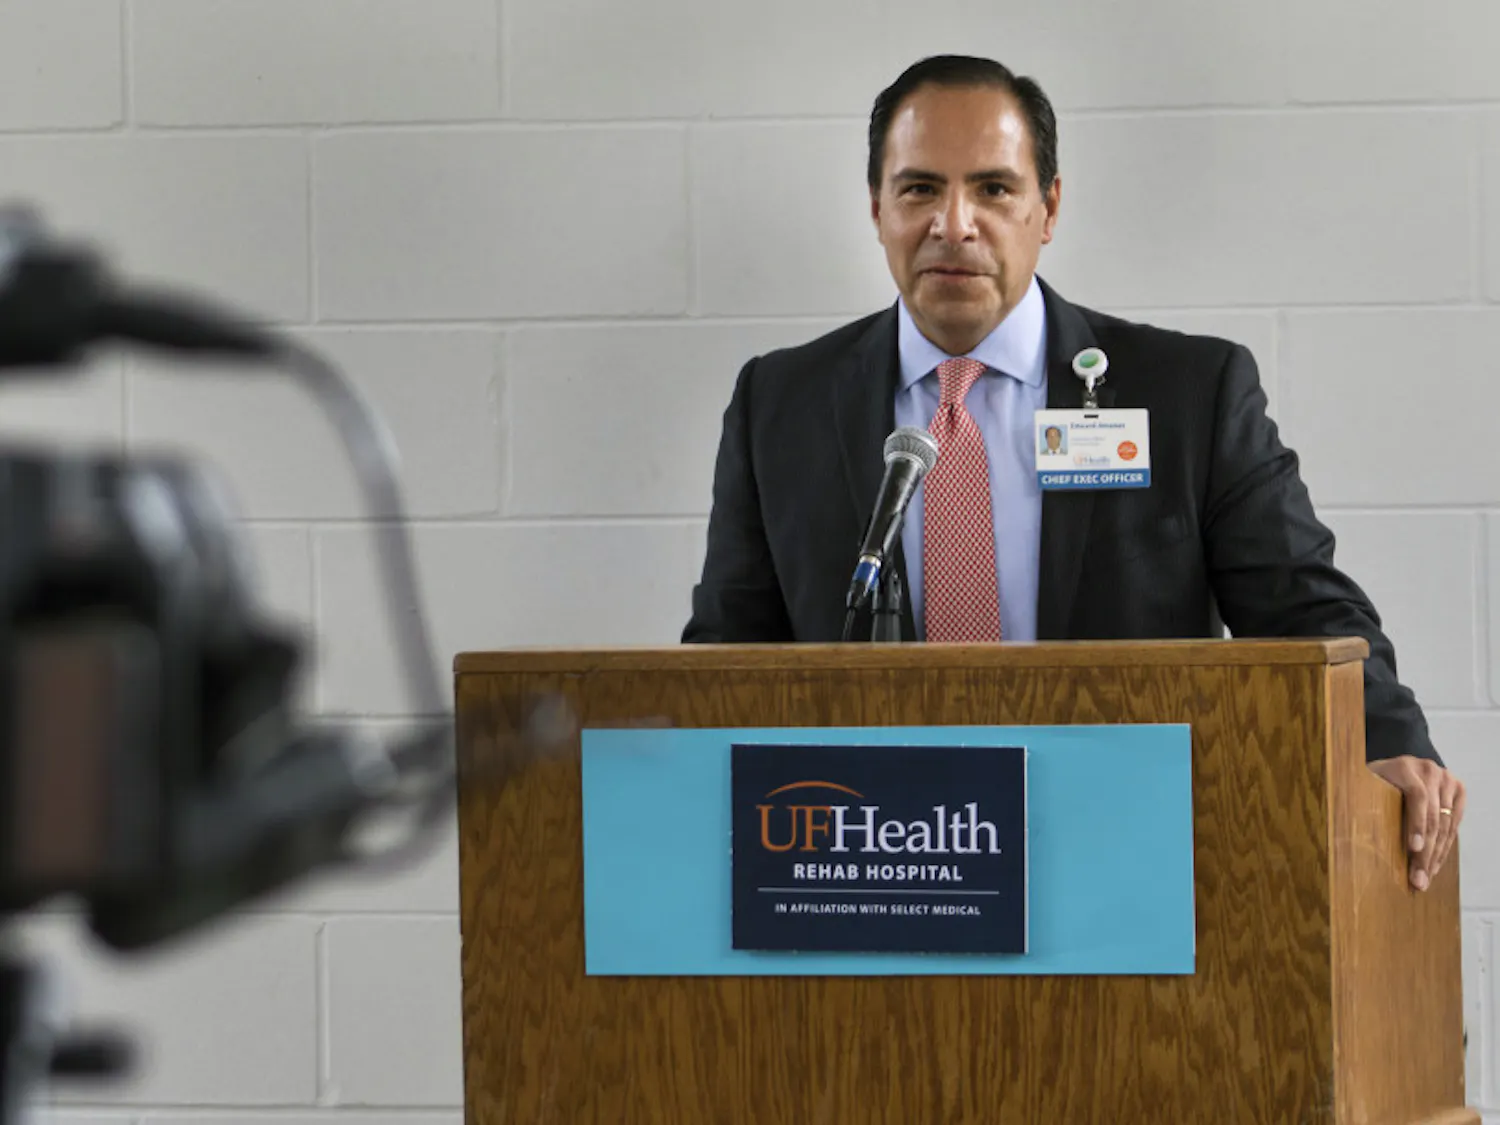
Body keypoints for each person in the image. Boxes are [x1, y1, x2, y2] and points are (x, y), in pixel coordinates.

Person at [681, 54, 1465, 891]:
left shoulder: (1186, 394)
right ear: (875, 208)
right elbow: (729, 656)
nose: (954, 222)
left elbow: (1305, 602)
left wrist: (1389, 738)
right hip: (872, 868)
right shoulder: (781, 403)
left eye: (992, 188)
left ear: (1048, 207)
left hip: (1123, 862)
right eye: (918, 190)